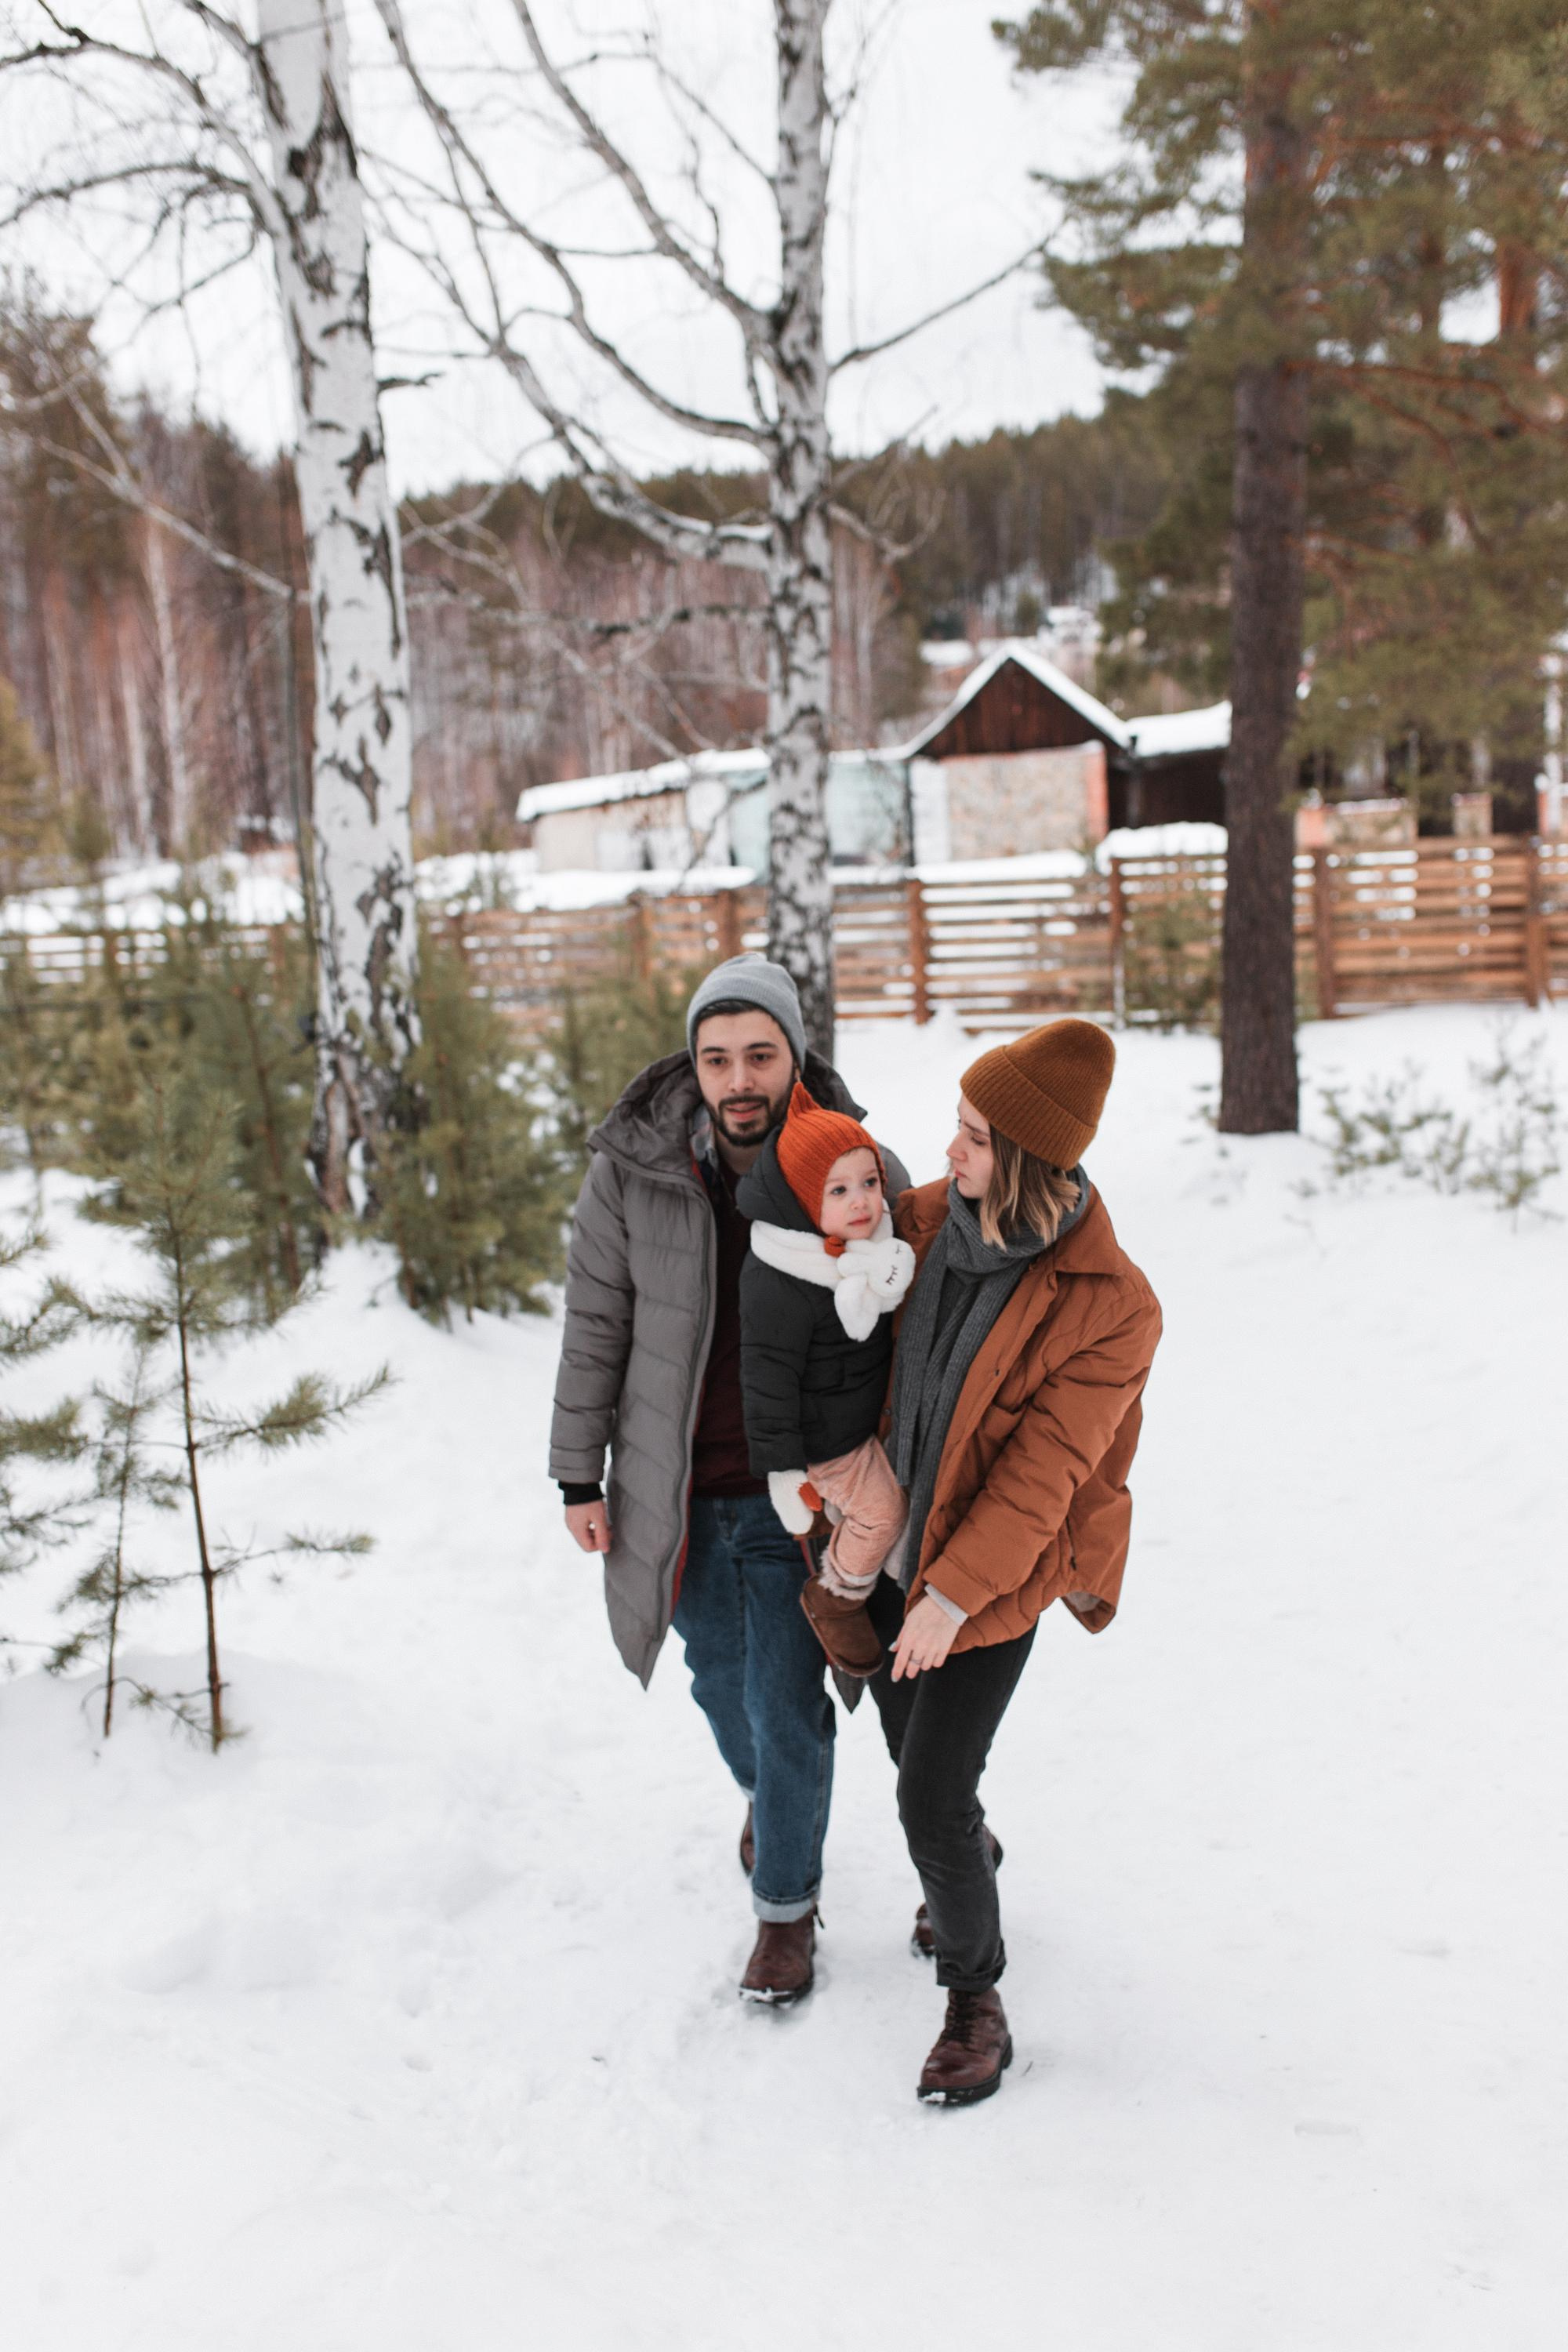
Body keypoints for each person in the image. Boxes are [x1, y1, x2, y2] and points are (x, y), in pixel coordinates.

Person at [550, 953, 908, 2005]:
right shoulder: (634, 1168)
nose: (739, 1077)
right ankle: (771, 1797)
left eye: (760, 1053)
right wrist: (580, 1474)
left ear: (795, 1056)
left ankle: (785, 1917)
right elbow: (596, 1326)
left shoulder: (855, 1165)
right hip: (681, 1488)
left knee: (787, 1705)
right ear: (693, 1065)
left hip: (808, 1489)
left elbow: (911, 1316)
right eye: (718, 1058)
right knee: (722, 1691)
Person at [869, 1018, 1162, 2106]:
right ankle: (970, 1865)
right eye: (956, 1123)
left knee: (927, 1800)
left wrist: (948, 1595)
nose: (950, 1150)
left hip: (998, 1573)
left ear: (1032, 1162)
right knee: (914, 1764)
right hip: (886, 1551)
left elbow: (1043, 1479)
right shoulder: (925, 1222)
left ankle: (973, 2000)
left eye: (976, 1136)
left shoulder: (1110, 1309)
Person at [735, 1080, 915, 1679]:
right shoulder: (781, 1278)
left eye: (869, 1183)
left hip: (861, 1421)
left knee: (892, 1511)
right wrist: (785, 1470)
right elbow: (766, 1382)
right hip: (825, 1442)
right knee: (882, 1515)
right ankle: (836, 1596)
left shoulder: (874, 1249)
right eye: (838, 1190)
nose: (862, 1201)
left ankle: (859, 1562)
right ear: (801, 1198)